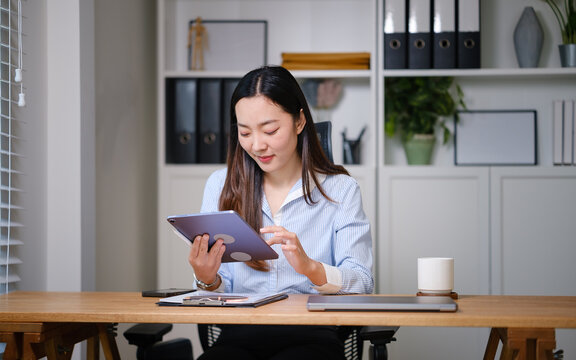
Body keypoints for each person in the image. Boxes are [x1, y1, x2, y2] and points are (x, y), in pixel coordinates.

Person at [188, 65, 373, 360]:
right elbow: (218, 291)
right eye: (245, 133)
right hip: (239, 334)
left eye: (270, 130)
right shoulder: (221, 186)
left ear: (299, 121)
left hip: (312, 334)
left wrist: (311, 267)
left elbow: (363, 282)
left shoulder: (341, 190)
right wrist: (207, 278)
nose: (257, 145)